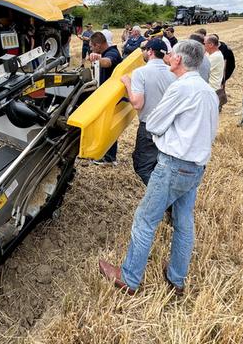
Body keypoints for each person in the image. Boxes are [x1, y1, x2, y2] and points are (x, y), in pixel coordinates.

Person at [98, 40, 219, 296]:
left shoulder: (181, 88)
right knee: (184, 222)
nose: (169, 55)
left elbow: (153, 124)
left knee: (145, 219)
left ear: (179, 60)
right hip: (196, 166)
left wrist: (165, 138)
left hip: (173, 165)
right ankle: (177, 277)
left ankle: (129, 278)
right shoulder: (207, 90)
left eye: (173, 53)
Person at [120, 38, 176, 185]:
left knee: (143, 167)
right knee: (159, 165)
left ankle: (165, 201)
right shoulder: (173, 73)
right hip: (170, 126)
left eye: (144, 50)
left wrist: (127, 83)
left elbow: (138, 104)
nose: (143, 52)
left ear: (150, 51)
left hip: (149, 126)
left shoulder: (140, 73)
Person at [89, 32, 123, 164]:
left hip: (111, 98)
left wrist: (98, 59)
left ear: (98, 45)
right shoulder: (107, 51)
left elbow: (107, 63)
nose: (91, 48)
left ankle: (109, 158)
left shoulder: (112, 53)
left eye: (92, 46)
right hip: (105, 96)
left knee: (108, 127)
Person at [204, 35, 227, 111]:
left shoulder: (216, 56)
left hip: (212, 89)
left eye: (204, 43)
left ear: (211, 45)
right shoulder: (209, 53)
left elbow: (203, 69)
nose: (203, 45)